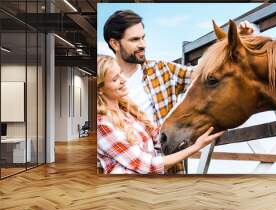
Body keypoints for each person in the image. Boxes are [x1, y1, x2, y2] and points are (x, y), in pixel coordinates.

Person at [103, 10, 255, 173]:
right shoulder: (104, 86)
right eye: (134, 39)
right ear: (115, 43)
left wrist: (241, 43)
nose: (143, 44)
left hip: (169, 167)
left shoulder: (162, 70)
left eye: (143, 37)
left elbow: (208, 75)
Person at [97, 55, 224, 174]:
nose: (123, 80)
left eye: (121, 73)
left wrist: (196, 128)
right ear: (100, 90)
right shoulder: (102, 125)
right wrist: (196, 147)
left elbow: (159, 140)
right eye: (115, 79)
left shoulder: (127, 111)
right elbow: (148, 166)